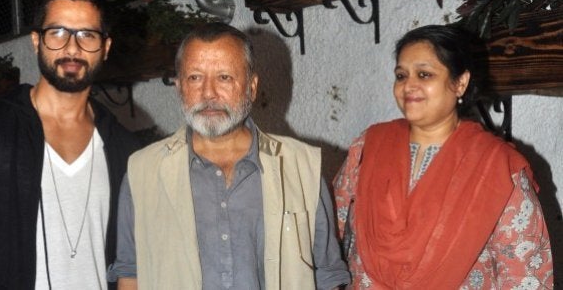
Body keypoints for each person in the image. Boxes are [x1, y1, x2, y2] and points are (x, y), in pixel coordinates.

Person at [110, 23, 350, 289]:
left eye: (224, 77)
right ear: (179, 87)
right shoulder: (143, 171)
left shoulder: (301, 167)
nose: (209, 93)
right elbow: (130, 272)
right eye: (195, 78)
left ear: (252, 87)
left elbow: (328, 274)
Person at [0, 0, 141, 289]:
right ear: (36, 41)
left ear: (106, 47)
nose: (72, 48)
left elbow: (132, 259)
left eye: (87, 34)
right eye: (58, 32)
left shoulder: (124, 148)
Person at [333, 25, 553, 289]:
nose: (408, 86)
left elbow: (523, 271)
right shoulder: (369, 146)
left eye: (424, 74)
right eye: (401, 75)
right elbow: (331, 231)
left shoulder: (496, 165)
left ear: (460, 83)